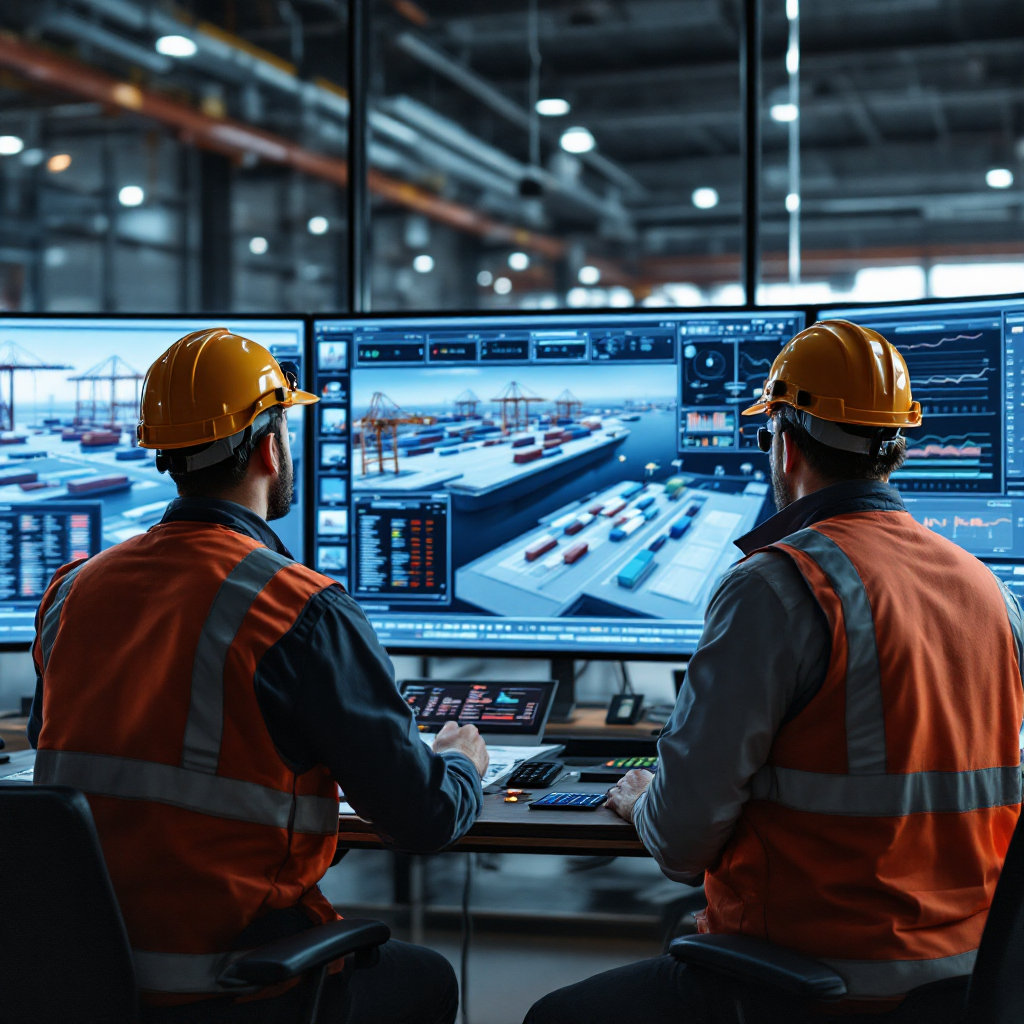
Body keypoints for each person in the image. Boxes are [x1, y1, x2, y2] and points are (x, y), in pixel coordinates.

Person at [525, 320, 1024, 1024]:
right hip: (970, 984)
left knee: (556, 1017)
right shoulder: (990, 591)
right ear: (896, 450)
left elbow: (679, 841)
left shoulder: (779, 586)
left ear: (784, 443)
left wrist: (640, 798)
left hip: (810, 980)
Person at [29, 328, 488, 1024]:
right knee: (423, 978)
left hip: (87, 978)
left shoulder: (74, 589)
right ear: (271, 446)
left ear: (167, 455)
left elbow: (60, 748)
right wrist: (460, 766)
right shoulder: (300, 609)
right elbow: (422, 818)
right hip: (238, 984)